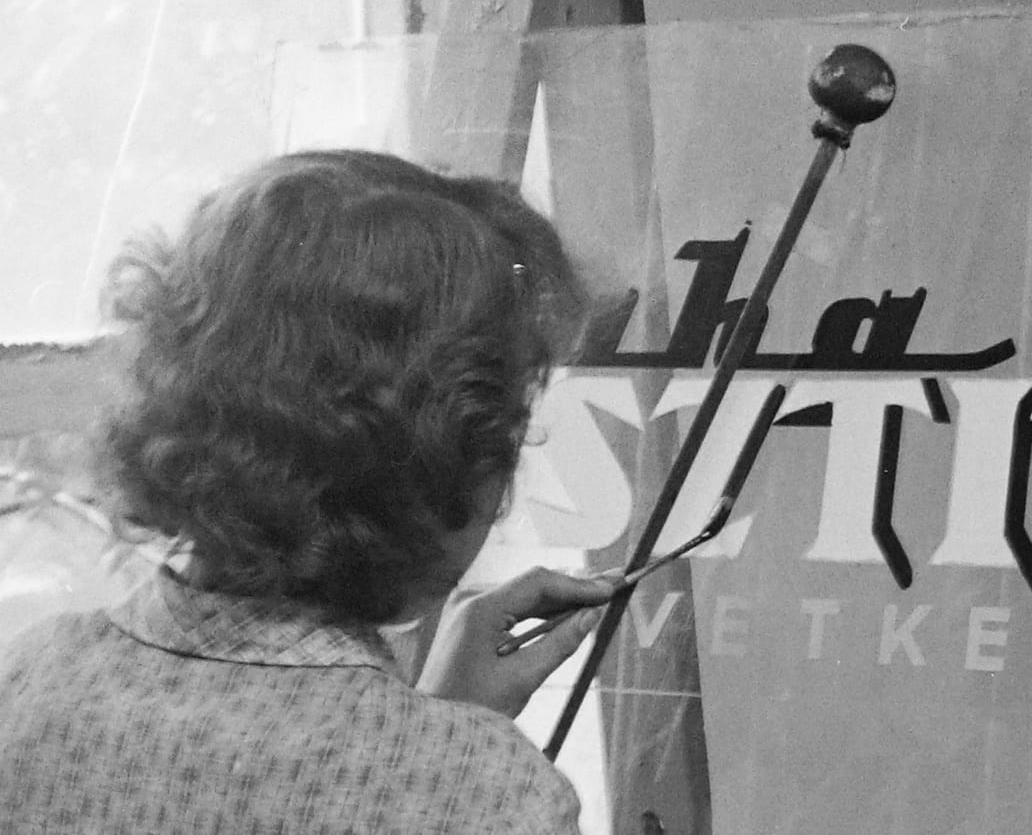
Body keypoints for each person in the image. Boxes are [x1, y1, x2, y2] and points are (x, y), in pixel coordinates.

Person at [0, 150, 616, 832]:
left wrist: (443, 725)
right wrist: (446, 747)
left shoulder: (26, 683)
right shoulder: (495, 799)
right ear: (455, 457)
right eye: (511, 422)